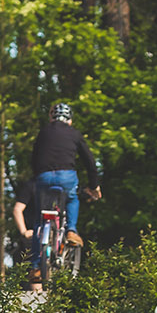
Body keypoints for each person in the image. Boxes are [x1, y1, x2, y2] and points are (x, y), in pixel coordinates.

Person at [32, 101, 101, 241]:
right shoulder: (74, 134)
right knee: (72, 198)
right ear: (70, 120)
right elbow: (89, 161)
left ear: (52, 118)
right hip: (66, 177)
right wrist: (94, 185)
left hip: (43, 177)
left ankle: (35, 261)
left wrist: (37, 176)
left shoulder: (43, 132)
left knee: (39, 220)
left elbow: (34, 157)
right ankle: (71, 230)